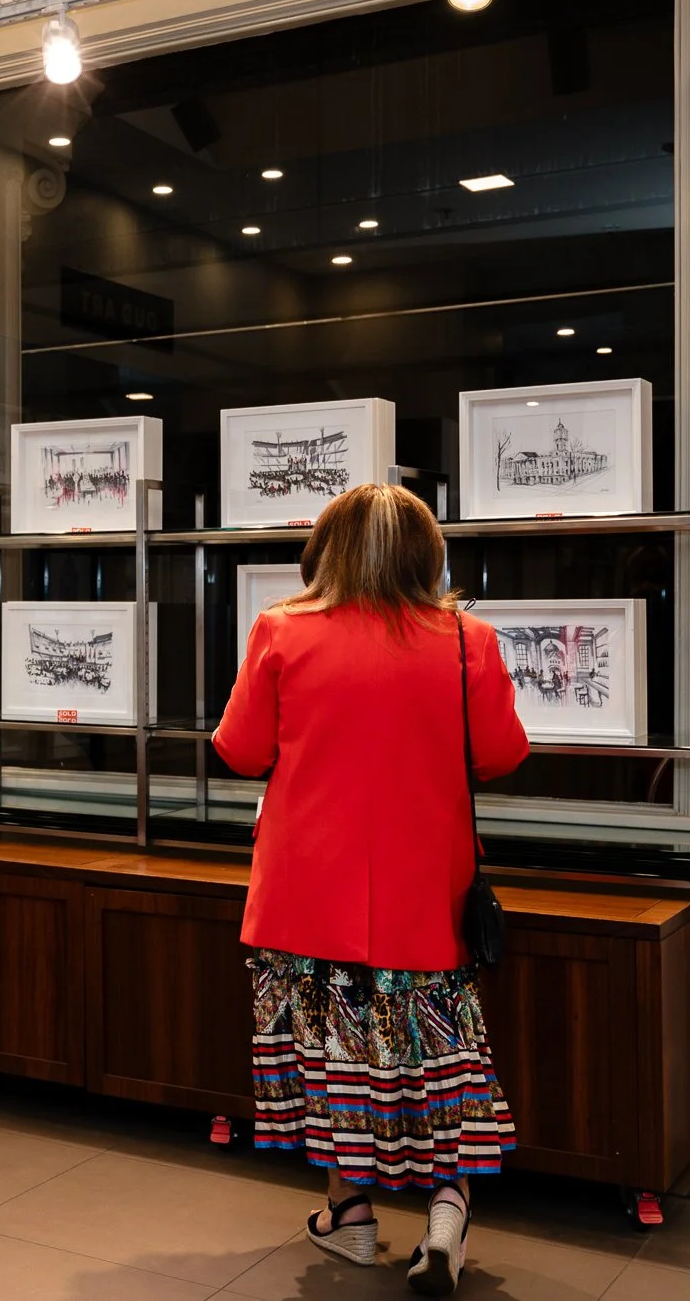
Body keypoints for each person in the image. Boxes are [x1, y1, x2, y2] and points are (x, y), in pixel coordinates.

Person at [212, 483, 530, 1297]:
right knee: (439, 1058)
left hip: (305, 897)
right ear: (431, 557)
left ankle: (350, 1220)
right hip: (428, 897)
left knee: (329, 1059)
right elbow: (500, 752)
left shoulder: (282, 630)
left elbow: (241, 749)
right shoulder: (469, 639)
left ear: (325, 554)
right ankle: (448, 1210)